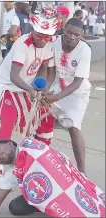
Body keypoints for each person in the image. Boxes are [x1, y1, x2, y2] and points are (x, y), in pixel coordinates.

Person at [0, 13, 59, 189]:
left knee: (44, 120)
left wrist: (43, 90)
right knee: (8, 124)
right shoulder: (22, 44)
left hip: (24, 89)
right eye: (38, 33)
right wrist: (31, 90)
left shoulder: (49, 44)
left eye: (46, 35)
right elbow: (13, 76)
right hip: (5, 87)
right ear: (32, 30)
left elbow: (48, 71)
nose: (41, 38)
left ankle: (35, 164)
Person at [0, 138, 105, 217]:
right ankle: (46, 203)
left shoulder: (29, 144)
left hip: (65, 181)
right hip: (44, 192)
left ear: (9, 143)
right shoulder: (11, 173)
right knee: (14, 208)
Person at [44, 18, 91, 175]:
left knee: (74, 128)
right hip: (56, 86)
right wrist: (46, 89)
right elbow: (50, 70)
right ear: (64, 29)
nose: (72, 37)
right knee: (41, 121)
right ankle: (40, 161)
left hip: (77, 92)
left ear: (80, 36)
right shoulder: (54, 42)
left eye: (76, 34)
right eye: (69, 32)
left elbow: (78, 82)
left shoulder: (84, 50)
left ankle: (82, 173)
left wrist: (56, 97)